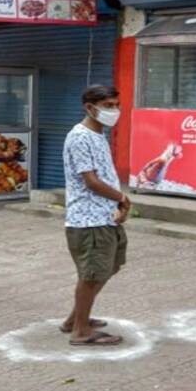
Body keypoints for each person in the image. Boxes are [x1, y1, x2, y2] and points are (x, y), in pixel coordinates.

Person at [61, 84, 130, 346]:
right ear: (90, 108)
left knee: (108, 267)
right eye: (108, 106)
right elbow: (91, 181)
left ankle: (75, 320)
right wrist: (122, 197)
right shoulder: (80, 137)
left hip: (104, 217)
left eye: (116, 105)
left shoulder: (98, 135)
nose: (114, 110)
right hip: (87, 221)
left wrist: (118, 204)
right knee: (91, 275)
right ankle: (80, 331)